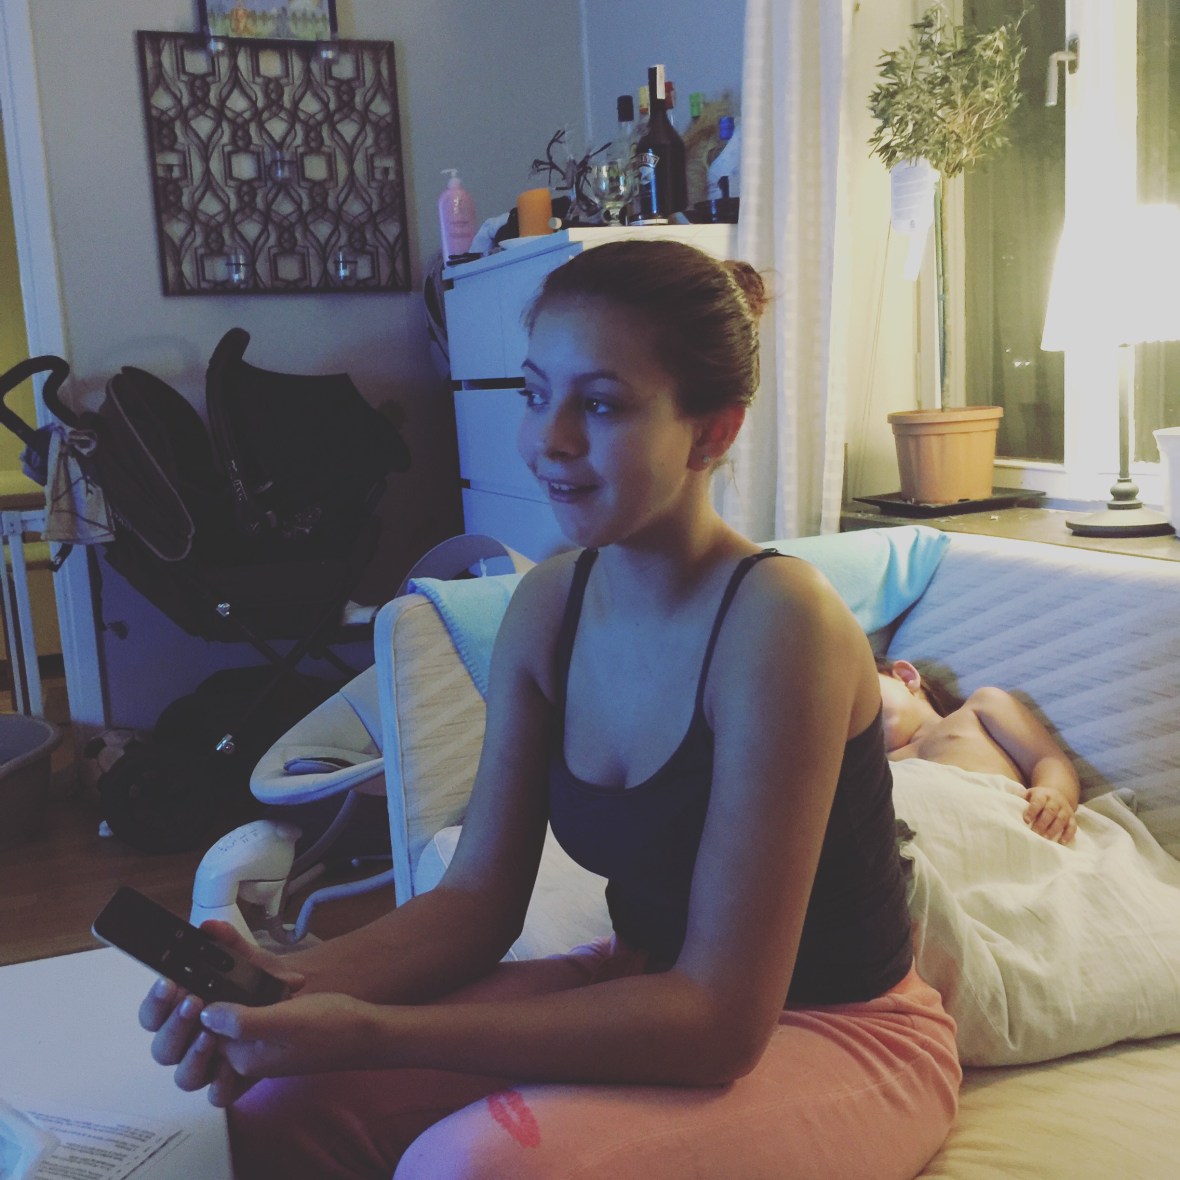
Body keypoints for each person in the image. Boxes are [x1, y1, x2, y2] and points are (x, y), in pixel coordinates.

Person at [139, 240, 960, 1179]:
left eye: (601, 405)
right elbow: (475, 904)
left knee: (474, 1166)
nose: (550, 440)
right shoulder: (550, 606)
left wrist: (373, 1028)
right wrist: (289, 979)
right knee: (277, 1104)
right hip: (643, 985)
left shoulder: (781, 625)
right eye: (536, 395)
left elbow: (721, 1024)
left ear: (713, 433)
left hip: (833, 1029)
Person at [877, 656, 1081, 844]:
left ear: (905, 677)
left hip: (1003, 830)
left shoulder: (978, 708)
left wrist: (1054, 792)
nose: (862, 718)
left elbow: (1046, 759)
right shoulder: (876, 767)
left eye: (863, 698)